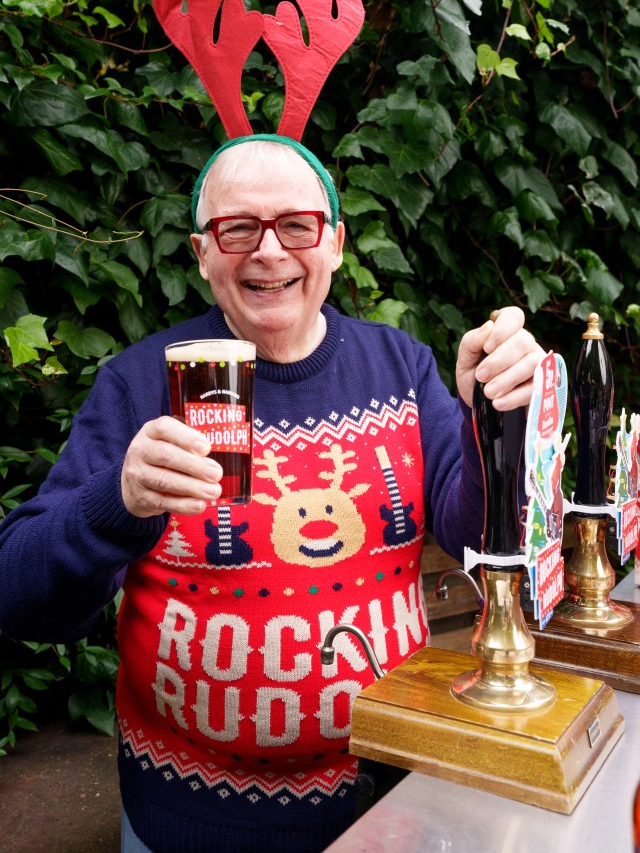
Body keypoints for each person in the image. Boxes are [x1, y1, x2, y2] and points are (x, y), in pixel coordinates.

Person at [0, 137, 544, 853]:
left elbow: (478, 535)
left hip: (391, 801)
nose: (268, 251)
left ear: (336, 243)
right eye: (237, 228)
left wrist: (497, 425)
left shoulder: (399, 365)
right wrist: (117, 500)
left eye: (297, 225)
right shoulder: (138, 385)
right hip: (192, 822)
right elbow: (20, 594)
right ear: (201, 253)